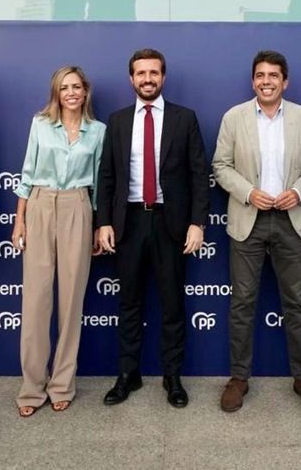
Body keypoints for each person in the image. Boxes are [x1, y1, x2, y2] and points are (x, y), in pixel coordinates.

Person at [212, 50, 301, 414]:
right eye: (260, 75)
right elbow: (220, 165)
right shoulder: (234, 117)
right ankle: (239, 378)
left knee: (296, 303)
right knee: (243, 303)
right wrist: (248, 192)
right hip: (249, 219)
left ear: (285, 81)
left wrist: (298, 191)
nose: (266, 80)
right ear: (253, 81)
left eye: (273, 75)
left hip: (292, 218)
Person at [96, 48, 209, 408]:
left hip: (170, 224)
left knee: (173, 304)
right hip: (128, 222)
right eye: (141, 73)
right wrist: (103, 224)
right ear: (131, 78)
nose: (148, 79)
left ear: (163, 77)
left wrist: (197, 223)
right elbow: (107, 177)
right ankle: (128, 374)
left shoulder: (184, 118)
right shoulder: (117, 121)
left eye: (154, 73)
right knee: (129, 303)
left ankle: (172, 377)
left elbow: (198, 176)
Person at [12, 66, 105, 416]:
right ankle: (31, 388)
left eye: (76, 86)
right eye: (64, 87)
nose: (70, 92)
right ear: (56, 92)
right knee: (35, 300)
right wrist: (19, 219)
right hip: (39, 204)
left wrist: (97, 226)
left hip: (77, 207)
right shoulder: (40, 124)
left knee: (71, 303)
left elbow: (98, 183)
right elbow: (26, 172)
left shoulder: (98, 132)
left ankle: (62, 384)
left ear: (85, 91)